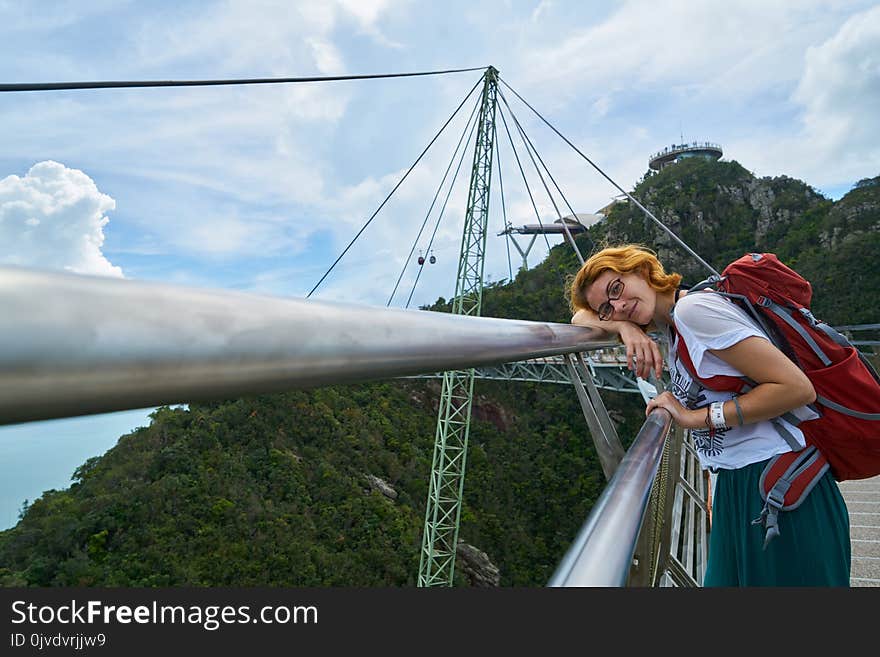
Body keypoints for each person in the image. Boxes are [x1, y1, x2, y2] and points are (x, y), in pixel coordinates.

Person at [568, 243, 851, 586]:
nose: (619, 305)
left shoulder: (694, 312)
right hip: (741, 482)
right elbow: (578, 318)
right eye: (607, 308)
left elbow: (795, 388)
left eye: (618, 288)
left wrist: (694, 418)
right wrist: (622, 328)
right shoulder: (670, 325)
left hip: (784, 486)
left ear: (642, 270)